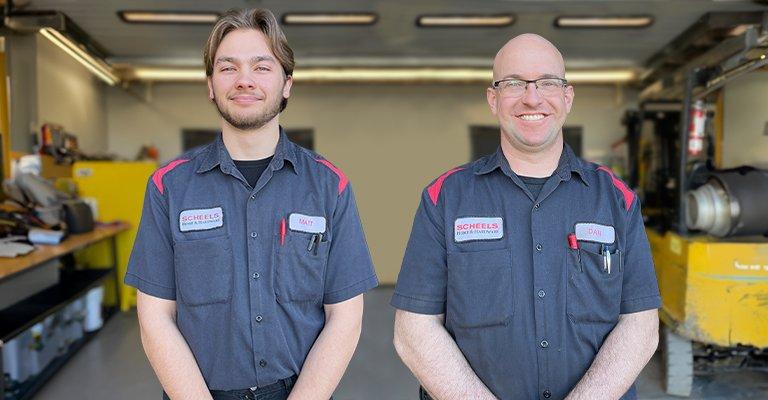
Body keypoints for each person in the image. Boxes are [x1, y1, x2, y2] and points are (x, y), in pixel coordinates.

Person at [125, 8, 378, 400]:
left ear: (287, 84)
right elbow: (155, 317)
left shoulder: (330, 186)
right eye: (228, 68)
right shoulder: (168, 187)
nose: (244, 80)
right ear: (210, 85)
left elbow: (345, 316)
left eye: (262, 67)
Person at [391, 33, 660, 400]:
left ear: (567, 97)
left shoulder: (617, 199)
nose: (532, 97)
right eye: (514, 83)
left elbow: (640, 322)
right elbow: (414, 329)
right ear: (493, 99)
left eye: (547, 83)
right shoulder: (446, 198)